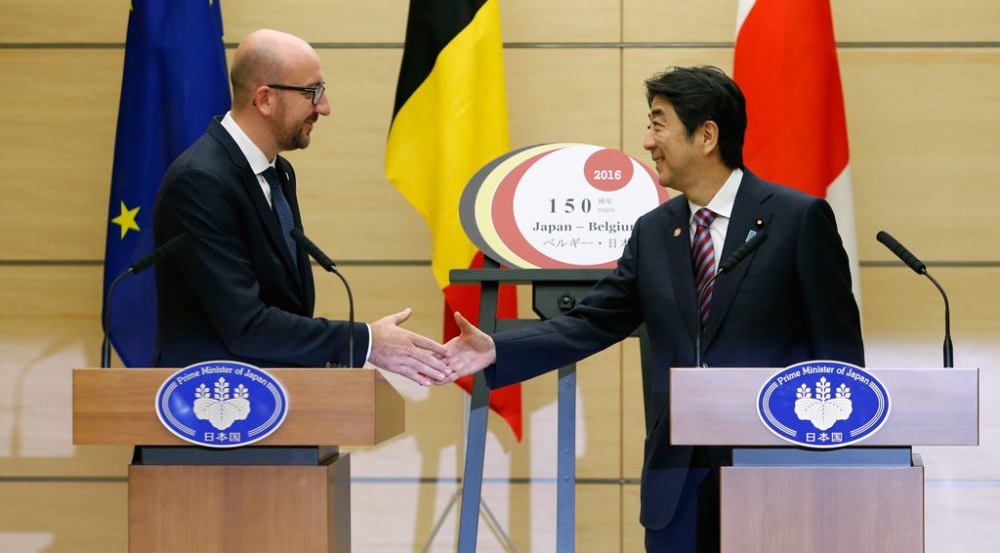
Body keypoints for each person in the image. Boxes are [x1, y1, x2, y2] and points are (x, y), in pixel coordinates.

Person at [442, 66, 865, 552]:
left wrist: (838, 469)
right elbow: (591, 322)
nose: (647, 141)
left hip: (777, 474)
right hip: (677, 484)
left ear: (707, 135)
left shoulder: (797, 220)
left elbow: (841, 358)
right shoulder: (654, 232)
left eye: (659, 123)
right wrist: (496, 348)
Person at [152, 29, 452, 386]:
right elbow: (245, 325)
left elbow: (283, 306)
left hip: (274, 404)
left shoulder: (278, 173)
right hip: (206, 414)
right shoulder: (200, 181)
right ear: (264, 99)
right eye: (313, 92)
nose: (324, 107)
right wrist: (366, 342)